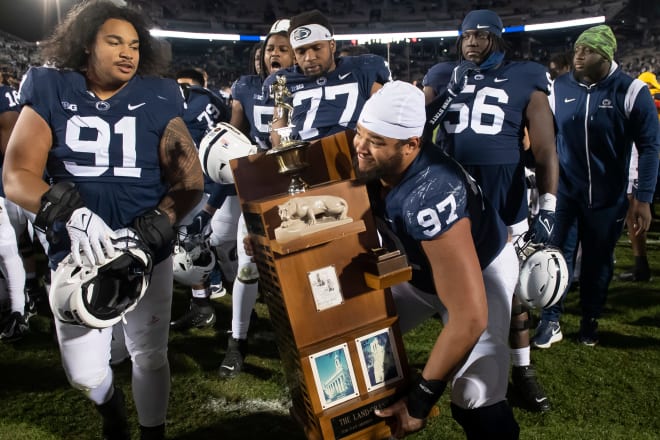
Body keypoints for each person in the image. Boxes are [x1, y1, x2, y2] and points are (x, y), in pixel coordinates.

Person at [2, 1, 203, 439]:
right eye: (114, 41)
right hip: (76, 249)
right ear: (86, 43)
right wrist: (71, 214)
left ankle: (153, 433)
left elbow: (190, 181)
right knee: (84, 374)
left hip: (144, 247)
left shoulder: (159, 94)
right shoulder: (51, 86)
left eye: (134, 44)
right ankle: (112, 411)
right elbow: (17, 175)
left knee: (149, 354)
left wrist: (156, 225)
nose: (127, 52)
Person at [354, 80, 519, 439]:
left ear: (412, 144)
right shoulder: (381, 155)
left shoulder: (430, 192)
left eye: (376, 142)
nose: (360, 148)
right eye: (360, 133)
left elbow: (469, 315)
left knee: (475, 394)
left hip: (481, 269)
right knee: (355, 339)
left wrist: (421, 401)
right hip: (421, 274)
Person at [422, 9, 558, 412]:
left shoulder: (526, 75)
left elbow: (547, 148)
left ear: (498, 38)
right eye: (466, 36)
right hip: (452, 197)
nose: (471, 43)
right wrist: (448, 93)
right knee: (451, 290)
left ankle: (524, 372)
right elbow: (417, 128)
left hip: (504, 198)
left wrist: (548, 204)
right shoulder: (442, 74)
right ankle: (460, 363)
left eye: (481, 36)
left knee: (512, 291)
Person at [536, 25, 660, 347]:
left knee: (597, 261)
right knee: (556, 255)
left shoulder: (632, 91)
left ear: (605, 56)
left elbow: (649, 147)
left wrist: (642, 198)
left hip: (608, 196)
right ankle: (551, 320)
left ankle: (590, 319)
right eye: (577, 49)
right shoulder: (558, 87)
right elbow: (546, 137)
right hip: (566, 192)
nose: (578, 55)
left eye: (587, 51)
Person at [218, 19, 296, 378]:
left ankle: (299, 337)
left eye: (283, 48)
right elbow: (235, 133)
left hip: (298, 184)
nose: (275, 54)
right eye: (270, 48)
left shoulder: (308, 87)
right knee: (249, 268)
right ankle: (238, 342)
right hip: (258, 183)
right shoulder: (247, 87)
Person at [266, 9, 391, 148]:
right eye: (301, 51)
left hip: (356, 154)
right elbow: (279, 136)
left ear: (332, 45)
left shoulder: (361, 70)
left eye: (316, 48)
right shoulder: (283, 81)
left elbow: (388, 115)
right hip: (306, 160)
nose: (310, 57)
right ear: (294, 55)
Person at [169, 66, 234, 331]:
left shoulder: (196, 104)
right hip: (215, 184)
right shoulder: (213, 101)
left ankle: (232, 315)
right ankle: (203, 306)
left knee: (226, 255)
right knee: (194, 246)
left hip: (212, 185)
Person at [617, 71, 660, 282]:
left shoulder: (641, 104)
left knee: (634, 218)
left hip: (634, 169)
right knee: (631, 219)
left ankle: (641, 268)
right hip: (634, 168)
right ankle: (640, 267)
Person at [0, 80, 27, 341]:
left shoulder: (4, 96)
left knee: (8, 249)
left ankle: (18, 310)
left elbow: (8, 147)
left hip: (13, 185)